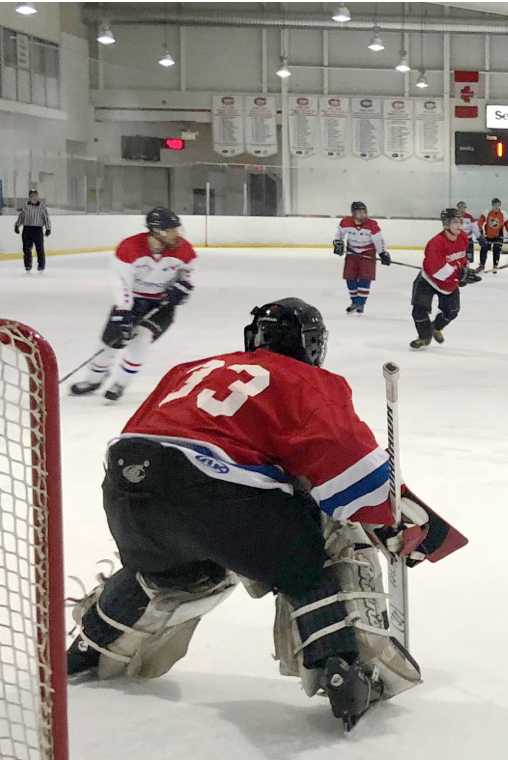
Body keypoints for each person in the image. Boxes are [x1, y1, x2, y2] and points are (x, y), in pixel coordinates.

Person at [65, 297, 467, 731]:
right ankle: (344, 667)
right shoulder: (306, 379)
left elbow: (148, 436)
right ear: (313, 346)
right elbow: (348, 469)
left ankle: (92, 644)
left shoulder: (192, 368)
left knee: (170, 574)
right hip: (217, 498)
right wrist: (402, 518)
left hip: (127, 496)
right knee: (327, 535)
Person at [70, 207, 197, 402]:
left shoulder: (184, 250)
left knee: (142, 338)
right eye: (171, 230)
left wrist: (183, 287)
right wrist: (124, 309)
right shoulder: (130, 247)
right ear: (157, 231)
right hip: (134, 301)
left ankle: (121, 383)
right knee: (110, 342)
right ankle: (94, 379)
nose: (176, 234)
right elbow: (121, 281)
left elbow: (190, 273)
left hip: (161, 305)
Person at [411, 208, 472, 350]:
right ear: (446, 224)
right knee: (419, 310)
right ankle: (424, 337)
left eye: (460, 222)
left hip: (449, 282)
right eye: (455, 222)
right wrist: (459, 276)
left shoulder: (462, 237)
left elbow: (462, 257)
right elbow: (436, 271)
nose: (459, 226)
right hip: (428, 280)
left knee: (452, 311)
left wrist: (465, 271)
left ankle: (435, 327)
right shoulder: (436, 244)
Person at [333, 201, 390, 315]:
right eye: (359, 212)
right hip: (352, 251)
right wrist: (338, 243)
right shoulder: (345, 222)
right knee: (350, 277)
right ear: (353, 213)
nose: (363, 215)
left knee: (365, 278)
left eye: (364, 212)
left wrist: (382, 253)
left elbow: (379, 241)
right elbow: (339, 234)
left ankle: (361, 303)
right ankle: (354, 302)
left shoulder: (372, 225)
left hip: (367, 252)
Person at [14, 189, 51, 272]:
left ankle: (41, 265)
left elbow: (46, 218)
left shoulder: (42, 206)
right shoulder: (25, 206)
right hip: (27, 229)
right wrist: (17, 225)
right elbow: (21, 217)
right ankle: (28, 265)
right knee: (26, 248)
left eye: (36, 195)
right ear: (30, 197)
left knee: (39, 248)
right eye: (33, 195)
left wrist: (48, 228)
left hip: (37, 229)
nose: (35, 197)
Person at [477, 198, 508, 273]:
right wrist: (479, 229)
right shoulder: (487, 212)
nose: (496, 207)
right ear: (492, 205)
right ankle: (482, 265)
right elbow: (480, 221)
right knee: (484, 249)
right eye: (495, 205)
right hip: (488, 235)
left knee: (497, 249)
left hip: (498, 235)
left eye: (498, 205)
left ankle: (495, 265)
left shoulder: (503, 214)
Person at [456, 201, 481, 266]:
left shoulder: (469, 217)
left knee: (468, 258)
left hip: (468, 241)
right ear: (457, 208)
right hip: (457, 241)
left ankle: (466, 270)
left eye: (463, 208)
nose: (462, 209)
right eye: (460, 208)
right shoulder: (455, 218)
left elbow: (474, 228)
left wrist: (479, 237)